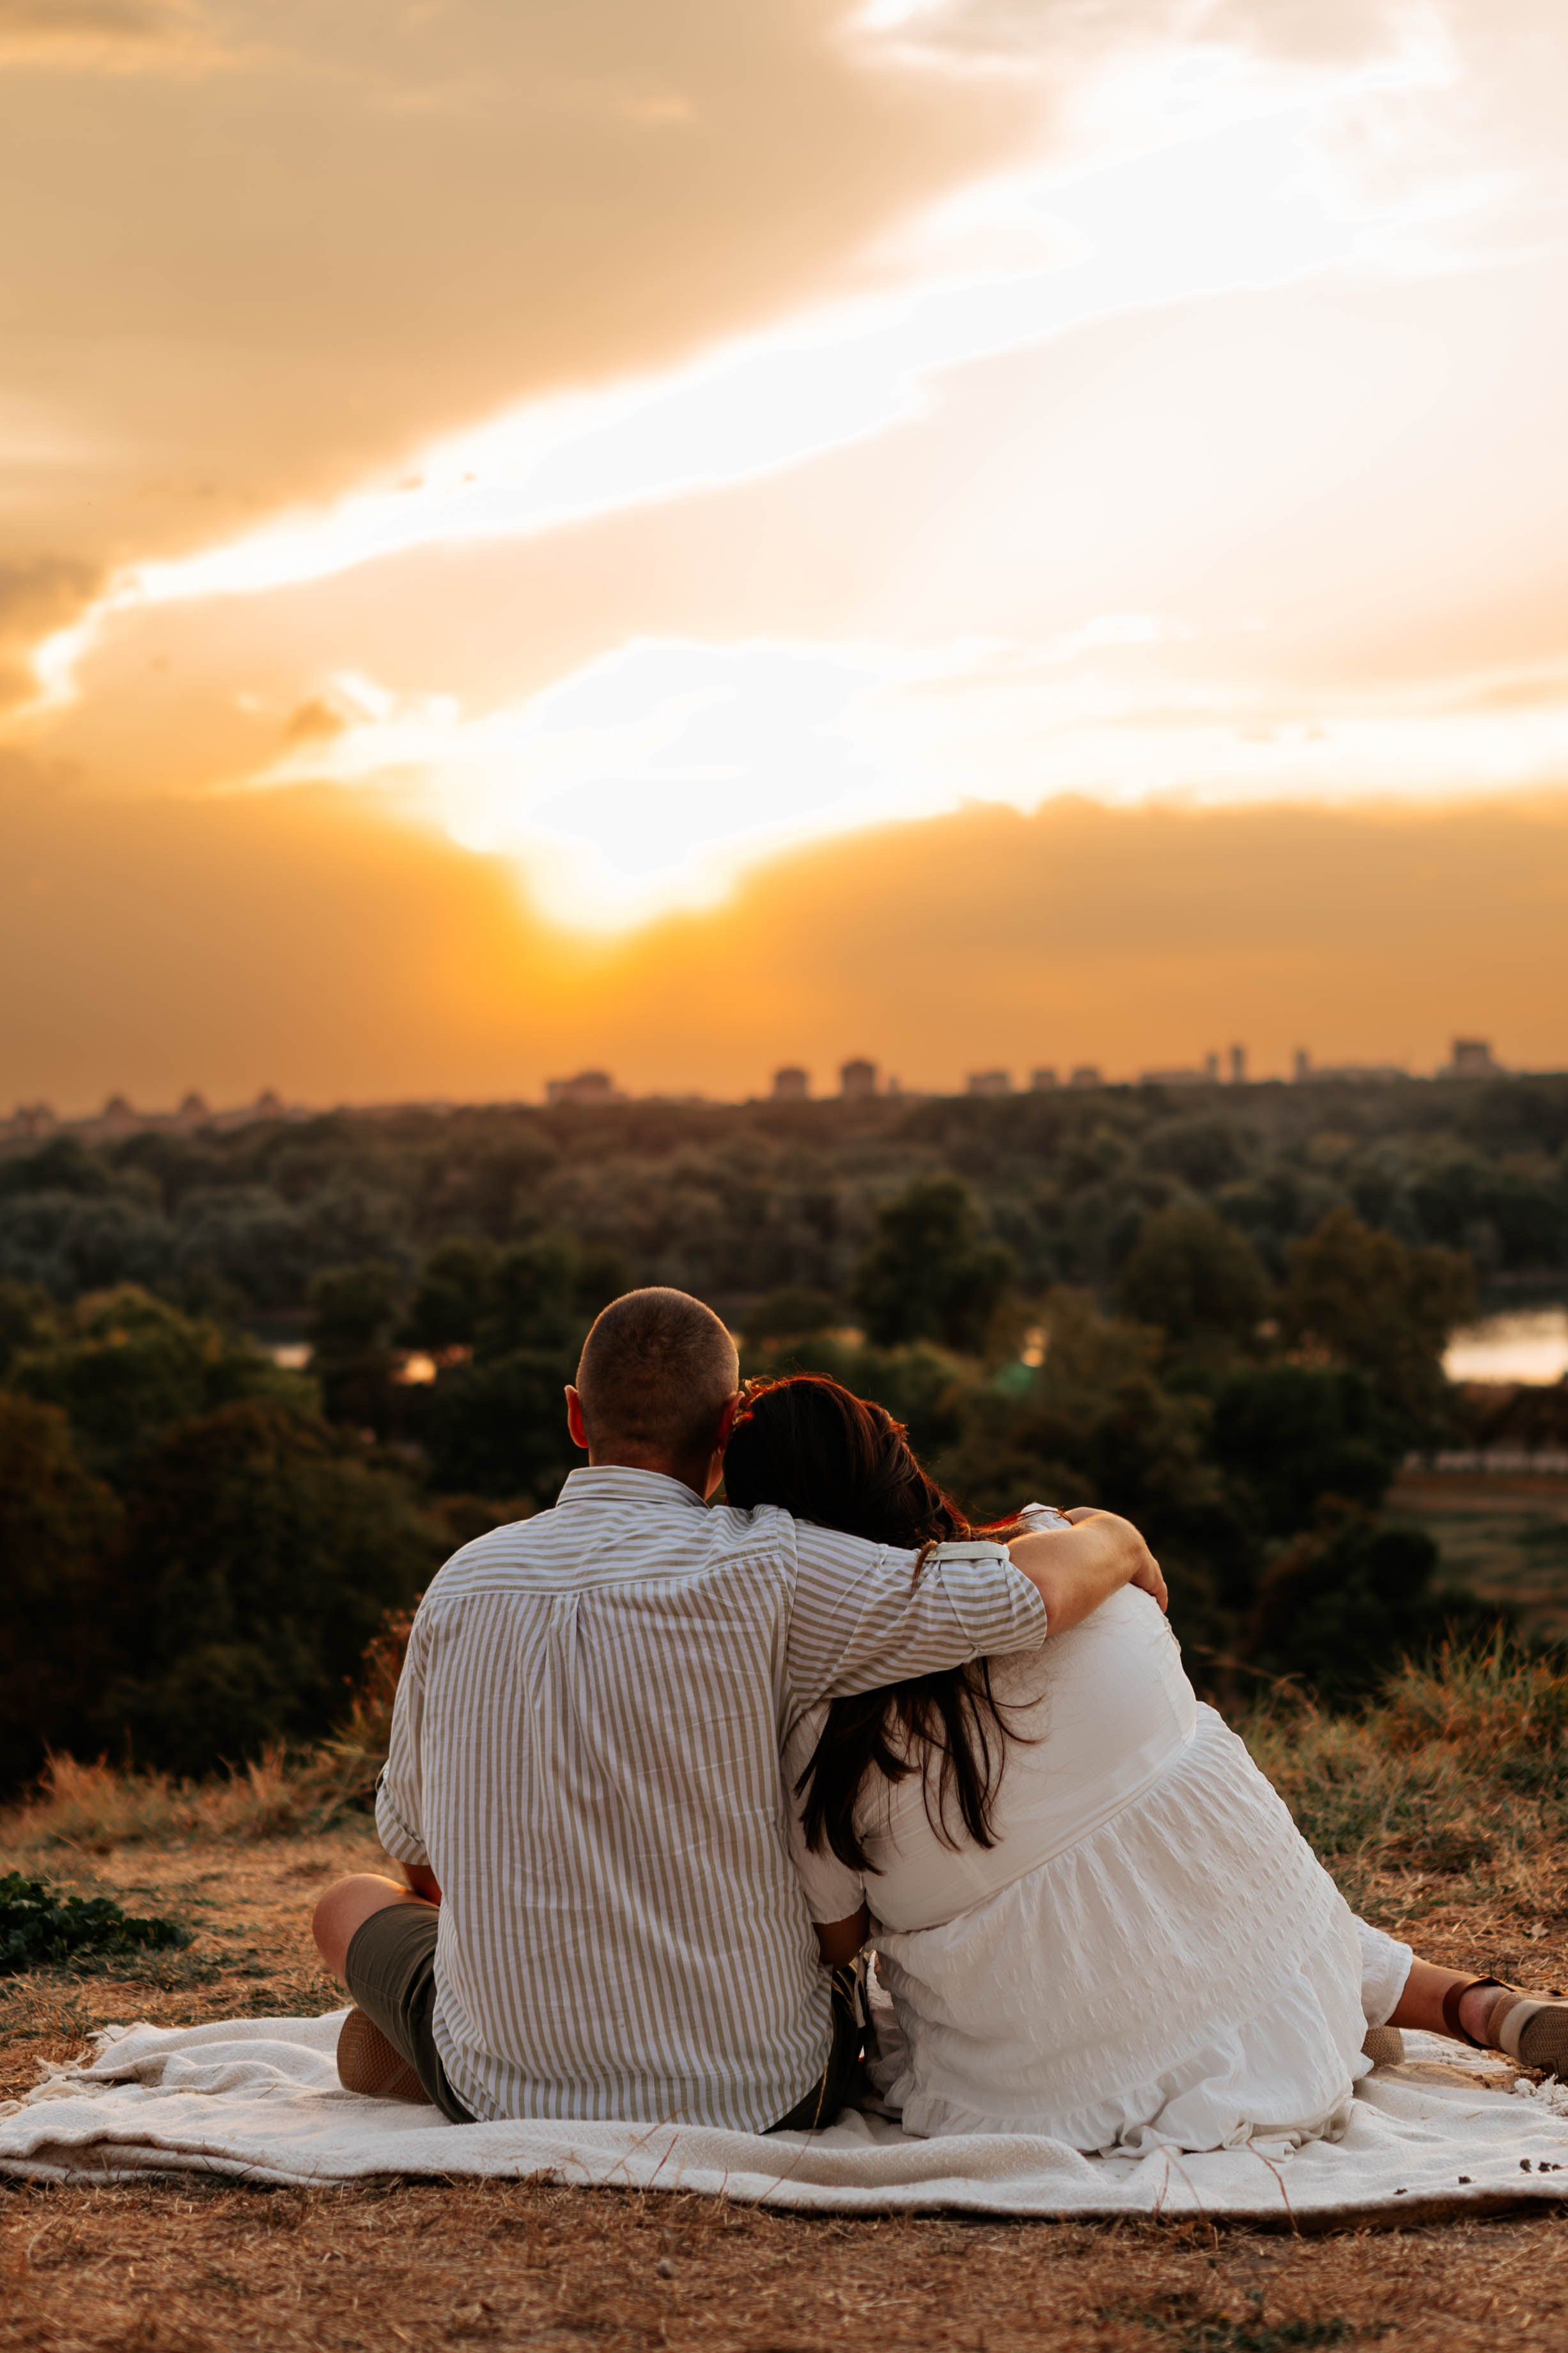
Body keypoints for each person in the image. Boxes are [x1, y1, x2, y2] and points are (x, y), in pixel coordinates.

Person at [310, 1287, 1165, 2130]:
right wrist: (1117, 1536)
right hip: (763, 2091)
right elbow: (1026, 1595)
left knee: (347, 1903)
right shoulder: (776, 1567)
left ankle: (432, 2042)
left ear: (575, 1417)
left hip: (501, 2088)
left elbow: (427, 1868)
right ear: (728, 1426)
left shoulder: (462, 1581)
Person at [722, 1373, 1568, 2152]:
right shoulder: (1072, 1565)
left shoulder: (819, 1737)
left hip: (1054, 2090)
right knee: (1166, 1861)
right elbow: (1088, 1538)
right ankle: (1468, 2004)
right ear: (898, 1467)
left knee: (996, 1933)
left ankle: (1393, 2007)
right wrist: (1109, 1534)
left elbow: (836, 1943)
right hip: (1273, 1978)